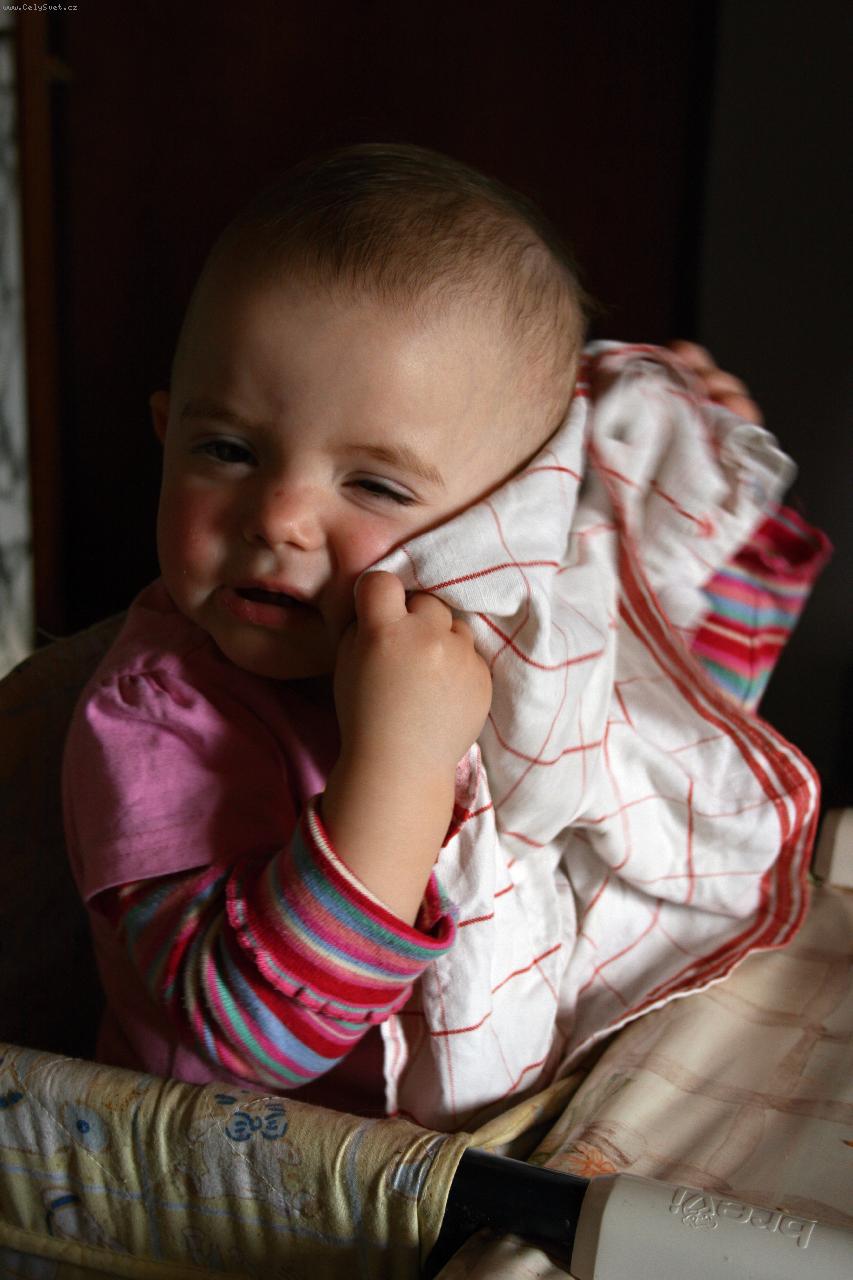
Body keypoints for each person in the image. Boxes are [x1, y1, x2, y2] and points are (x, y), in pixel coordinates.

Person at [61, 144, 821, 1124]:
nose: (279, 517)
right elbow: (250, 1033)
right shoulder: (157, 716)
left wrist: (717, 511)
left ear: (504, 521)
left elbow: (669, 750)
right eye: (230, 449)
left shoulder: (509, 636)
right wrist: (402, 762)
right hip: (242, 1181)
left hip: (505, 1131)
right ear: (167, 434)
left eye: (374, 484)